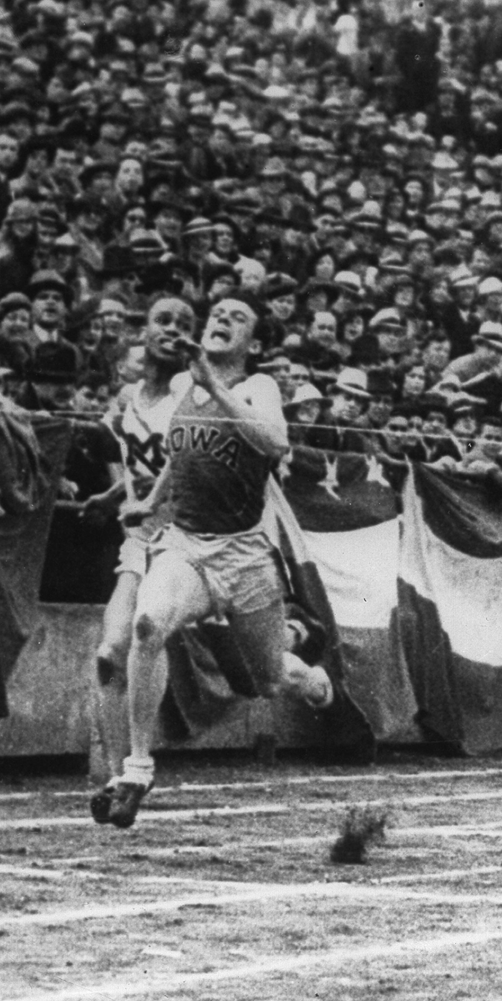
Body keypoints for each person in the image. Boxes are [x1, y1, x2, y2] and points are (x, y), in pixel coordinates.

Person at [95, 293, 331, 829]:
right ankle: (136, 768)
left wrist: (214, 385)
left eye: (237, 316)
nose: (222, 319)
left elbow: (274, 441)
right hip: (186, 543)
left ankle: (307, 674)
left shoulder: (258, 386)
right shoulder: (181, 385)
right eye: (217, 312)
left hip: (245, 554)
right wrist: (150, 503)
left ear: (253, 342)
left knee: (268, 681)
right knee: (148, 625)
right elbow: (180, 456)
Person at [83, 296, 196, 810]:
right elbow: (137, 463)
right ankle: (116, 778)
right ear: (143, 330)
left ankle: (140, 761)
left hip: (189, 536)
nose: (173, 331)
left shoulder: (191, 392)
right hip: (141, 535)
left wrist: (147, 497)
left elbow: (185, 467)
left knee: (150, 632)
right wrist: (108, 497)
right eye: (163, 321)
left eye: (184, 325)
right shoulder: (130, 396)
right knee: (110, 653)